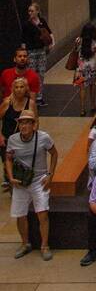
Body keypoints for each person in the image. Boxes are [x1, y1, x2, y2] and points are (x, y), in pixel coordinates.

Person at [5, 109, 57, 260]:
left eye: (27, 122)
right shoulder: (13, 139)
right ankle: (25, 243)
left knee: (42, 213)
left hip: (39, 180)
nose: (24, 126)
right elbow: (8, 158)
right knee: (20, 214)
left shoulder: (43, 138)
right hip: (21, 182)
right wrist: (10, 177)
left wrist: (50, 175)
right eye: (21, 123)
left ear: (33, 125)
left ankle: (45, 245)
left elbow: (54, 153)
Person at [0, 76, 37, 189]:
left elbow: (36, 121)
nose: (19, 89)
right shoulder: (7, 102)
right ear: (13, 89)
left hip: (23, 140)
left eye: (22, 87)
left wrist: (32, 135)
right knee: (8, 164)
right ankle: (11, 183)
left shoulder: (30, 103)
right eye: (16, 87)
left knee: (22, 164)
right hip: (7, 139)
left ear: (26, 89)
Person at [21, 3, 52, 106]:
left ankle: (39, 97)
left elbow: (49, 32)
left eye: (32, 11)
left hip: (41, 50)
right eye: (29, 11)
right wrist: (24, 53)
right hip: (31, 51)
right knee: (31, 74)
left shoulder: (42, 22)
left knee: (41, 74)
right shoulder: (26, 24)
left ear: (37, 11)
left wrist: (51, 44)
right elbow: (23, 39)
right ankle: (30, 96)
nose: (30, 13)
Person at [73, 22, 96, 116]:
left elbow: (75, 51)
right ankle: (93, 105)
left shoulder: (78, 40)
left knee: (82, 88)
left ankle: (82, 109)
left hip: (80, 67)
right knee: (92, 85)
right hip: (92, 66)